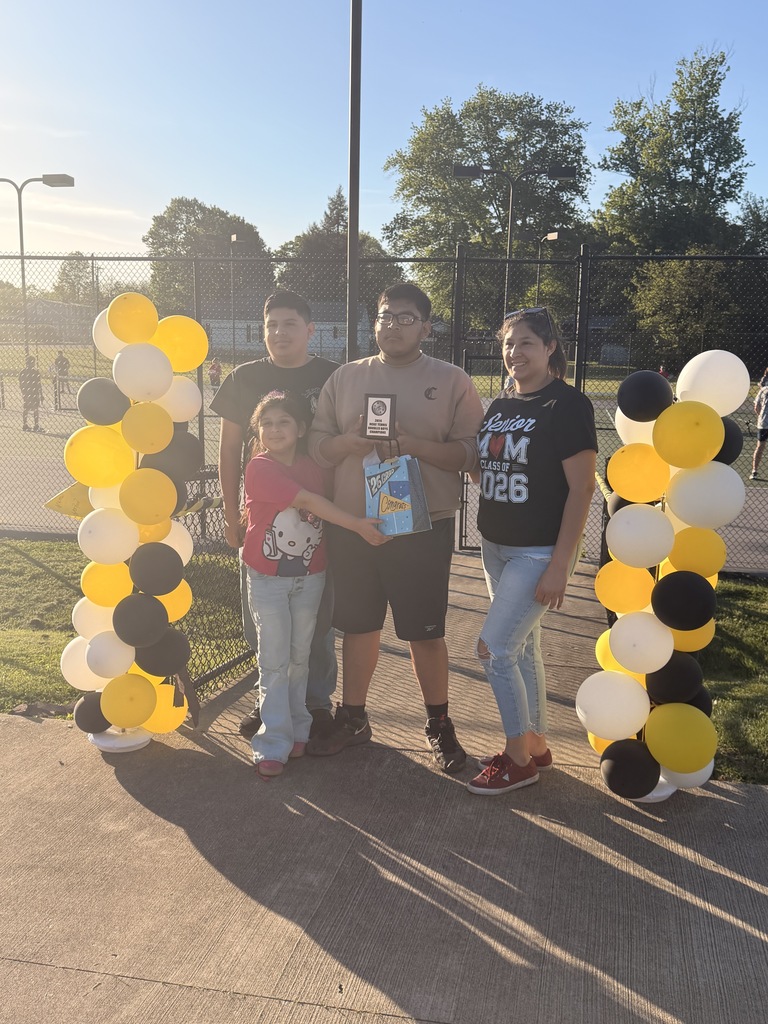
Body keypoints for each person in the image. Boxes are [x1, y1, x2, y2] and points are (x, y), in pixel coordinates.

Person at [306, 282, 485, 773]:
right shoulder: (345, 378)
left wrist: (414, 446)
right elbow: (318, 447)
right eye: (385, 316)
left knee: (424, 631)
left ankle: (439, 722)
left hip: (421, 526)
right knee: (359, 625)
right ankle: (355, 717)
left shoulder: (452, 380)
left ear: (427, 327)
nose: (392, 325)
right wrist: (349, 442)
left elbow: (471, 453)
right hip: (355, 524)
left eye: (406, 318)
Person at [466, 308, 596, 796]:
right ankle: (537, 744)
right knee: (522, 649)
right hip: (496, 546)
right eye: (507, 344)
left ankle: (517, 760)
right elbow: (485, 468)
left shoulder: (567, 405)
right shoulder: (501, 404)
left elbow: (582, 489)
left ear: (549, 349)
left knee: (494, 649)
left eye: (525, 343)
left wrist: (561, 564)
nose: (514, 353)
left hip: (538, 553)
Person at [211, 290, 340, 739]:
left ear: (310, 330)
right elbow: (229, 450)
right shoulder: (244, 378)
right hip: (263, 522)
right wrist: (232, 514)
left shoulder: (332, 375)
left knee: (316, 622)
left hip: (318, 519)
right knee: (262, 623)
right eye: (271, 325)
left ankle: (317, 703)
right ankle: (273, 703)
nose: (279, 333)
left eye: (289, 324)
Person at [242, 390, 388, 778]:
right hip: (269, 579)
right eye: (267, 423)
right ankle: (273, 742)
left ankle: (298, 730)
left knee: (299, 656)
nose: (275, 429)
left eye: (283, 422)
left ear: (300, 428)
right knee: (273, 660)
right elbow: (306, 502)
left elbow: (343, 474)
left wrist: (361, 440)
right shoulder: (259, 467)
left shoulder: (312, 465)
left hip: (310, 577)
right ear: (258, 430)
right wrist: (357, 525)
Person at [750, 369, 768, 479]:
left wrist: (761, 416)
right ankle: (754, 470)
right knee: (760, 447)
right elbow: (756, 406)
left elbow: (756, 406)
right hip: (764, 423)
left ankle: (754, 471)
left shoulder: (763, 390)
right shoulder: (764, 389)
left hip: (763, 422)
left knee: (760, 447)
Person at [19, 356, 44, 432]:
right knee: (31, 409)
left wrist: (41, 394)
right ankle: (31, 425)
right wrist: (41, 394)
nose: (33, 364)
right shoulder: (28, 372)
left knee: (30, 408)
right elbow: (21, 384)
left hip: (31, 393)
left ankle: (30, 424)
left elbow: (38, 384)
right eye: (32, 362)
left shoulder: (27, 372)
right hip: (31, 393)